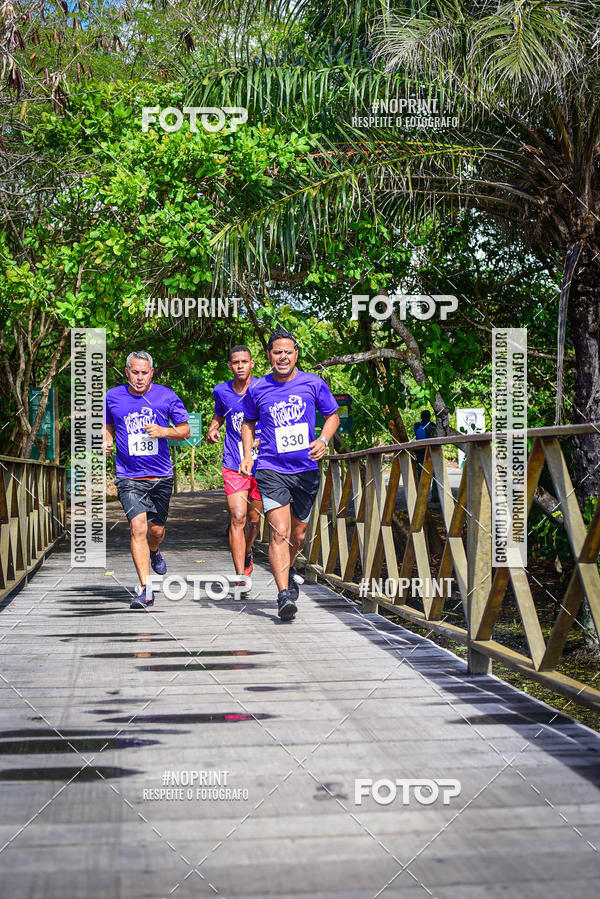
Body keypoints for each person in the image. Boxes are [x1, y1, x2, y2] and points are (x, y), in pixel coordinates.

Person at [240, 328, 340, 621]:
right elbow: (248, 423)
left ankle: (290, 566)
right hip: (271, 468)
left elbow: (332, 416)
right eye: (277, 352)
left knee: (298, 534)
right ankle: (284, 594)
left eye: (287, 352)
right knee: (279, 532)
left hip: (306, 469)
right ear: (269, 356)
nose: (282, 357)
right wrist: (247, 455)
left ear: (295, 355)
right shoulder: (258, 388)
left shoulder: (313, 383)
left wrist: (323, 440)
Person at [104, 351, 190, 609]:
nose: (139, 378)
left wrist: (164, 431)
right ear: (126, 372)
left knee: (156, 531)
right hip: (129, 476)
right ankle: (146, 590)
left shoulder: (166, 396)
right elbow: (107, 425)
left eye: (144, 373)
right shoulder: (113, 396)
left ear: (152, 372)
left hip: (160, 476)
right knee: (138, 527)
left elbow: (185, 430)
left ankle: (154, 550)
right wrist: (107, 440)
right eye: (135, 372)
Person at [207, 346, 262, 584]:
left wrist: (263, 438)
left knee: (254, 520)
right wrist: (213, 428)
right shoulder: (221, 390)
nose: (240, 366)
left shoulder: (263, 387)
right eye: (236, 362)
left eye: (244, 362)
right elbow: (220, 413)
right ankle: (240, 575)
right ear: (230, 365)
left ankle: (247, 551)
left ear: (252, 364)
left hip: (262, 463)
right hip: (234, 461)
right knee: (238, 516)